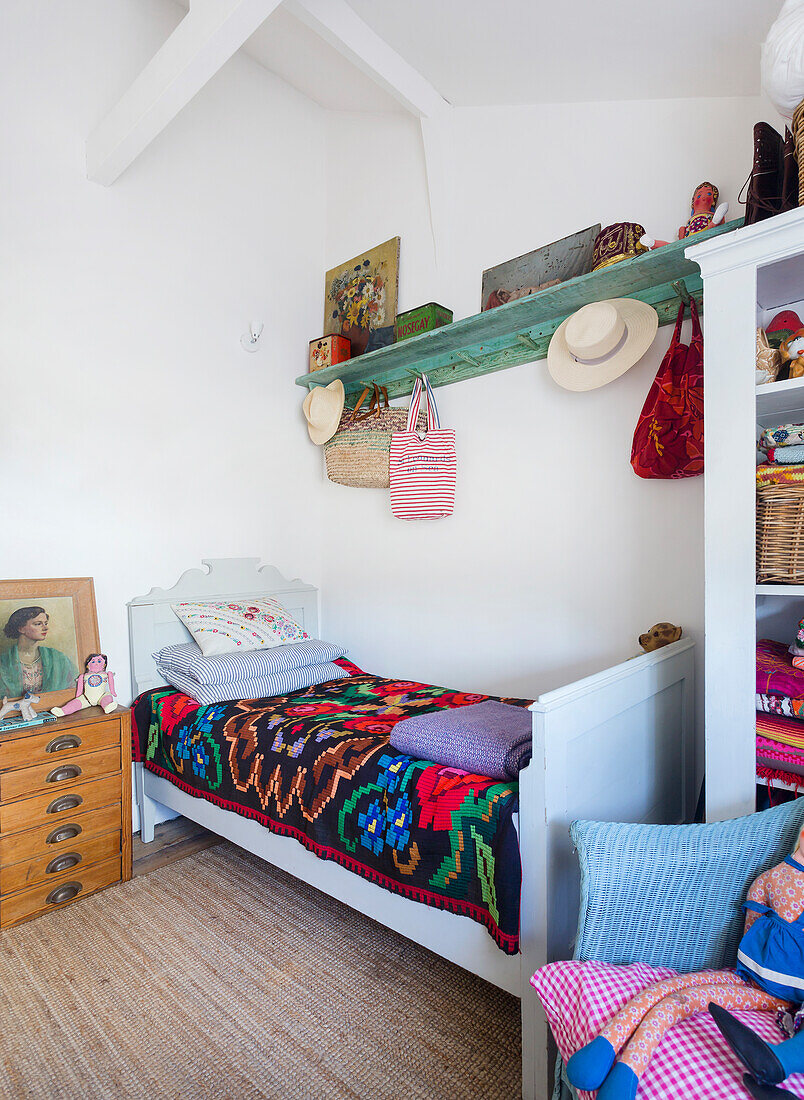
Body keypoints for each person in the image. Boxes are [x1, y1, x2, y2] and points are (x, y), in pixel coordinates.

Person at [0, 606, 78, 697]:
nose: (45, 628)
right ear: (21, 628)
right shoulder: (3, 662)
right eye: (38, 624)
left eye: (45, 623)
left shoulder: (58, 657)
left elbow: (72, 689)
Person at [51, 653, 116, 717]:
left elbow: (111, 684)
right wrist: (78, 697)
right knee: (75, 703)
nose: (96, 663)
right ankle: (62, 711)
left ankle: (107, 707)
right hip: (86, 698)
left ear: (104, 665)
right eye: (93, 661)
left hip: (102, 696)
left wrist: (113, 692)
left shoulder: (106, 674)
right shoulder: (84, 676)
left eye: (99, 661)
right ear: (88, 665)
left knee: (108, 697)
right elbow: (80, 687)